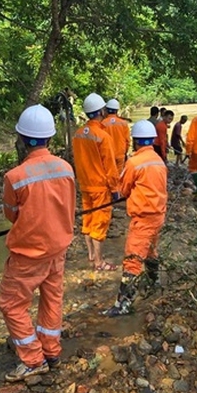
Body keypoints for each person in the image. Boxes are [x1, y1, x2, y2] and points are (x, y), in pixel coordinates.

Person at [0, 106, 76, 382]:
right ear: (49, 139)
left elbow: (11, 214)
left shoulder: (15, 177)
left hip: (28, 255)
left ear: (21, 138)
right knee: (52, 298)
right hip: (58, 249)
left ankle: (33, 359)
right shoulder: (66, 168)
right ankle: (51, 350)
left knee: (11, 304)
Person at [107, 120, 168, 316]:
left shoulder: (134, 162)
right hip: (158, 215)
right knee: (151, 251)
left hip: (143, 217)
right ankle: (154, 283)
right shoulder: (159, 160)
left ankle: (123, 304)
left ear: (135, 141)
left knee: (132, 259)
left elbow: (123, 189)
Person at [72, 93, 121, 270]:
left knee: (88, 219)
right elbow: (110, 166)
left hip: (85, 185)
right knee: (99, 222)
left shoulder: (78, 135)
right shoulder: (102, 136)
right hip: (100, 187)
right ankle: (99, 262)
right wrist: (115, 189)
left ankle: (91, 255)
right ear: (101, 111)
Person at [101, 98, 131, 174]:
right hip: (120, 155)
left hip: (108, 155)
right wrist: (125, 152)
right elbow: (127, 140)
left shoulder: (102, 123)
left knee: (109, 175)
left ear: (106, 110)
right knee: (119, 177)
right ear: (117, 110)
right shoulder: (123, 123)